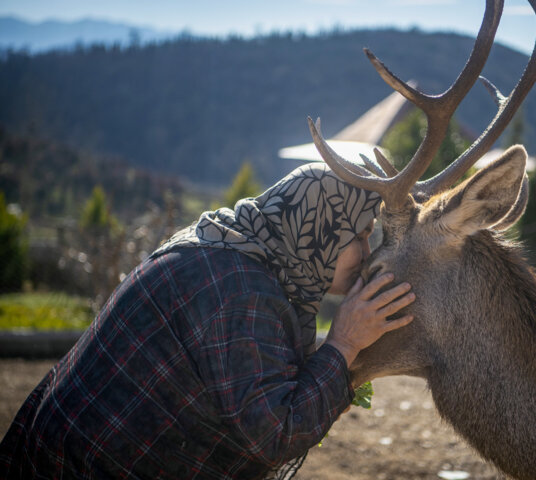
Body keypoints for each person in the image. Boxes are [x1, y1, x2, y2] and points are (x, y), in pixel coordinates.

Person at [0, 163, 415, 479]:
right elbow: (274, 434)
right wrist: (343, 345)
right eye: (358, 236)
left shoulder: (228, 244)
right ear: (317, 229)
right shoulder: (243, 292)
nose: (366, 252)